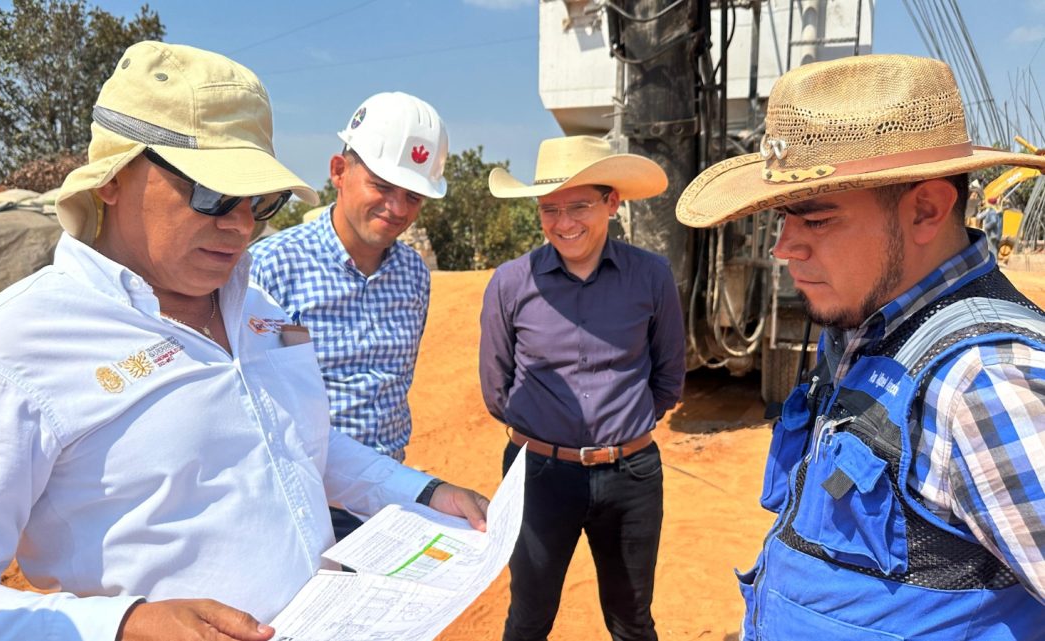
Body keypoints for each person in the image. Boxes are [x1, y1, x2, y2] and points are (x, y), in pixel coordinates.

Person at [0, 41, 488, 641]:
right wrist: (126, 625)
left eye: (261, 200)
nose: (240, 225)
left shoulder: (260, 309)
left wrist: (418, 490)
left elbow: (292, 435)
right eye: (213, 193)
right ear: (113, 176)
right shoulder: (6, 353)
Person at [676, 54, 1045, 640]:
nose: (784, 247)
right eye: (782, 220)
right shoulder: (862, 330)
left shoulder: (985, 379)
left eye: (815, 221)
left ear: (925, 209)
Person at [479, 135, 685, 641]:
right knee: (528, 618)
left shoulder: (652, 277)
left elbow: (668, 377)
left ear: (612, 203)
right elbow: (496, 388)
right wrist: (548, 437)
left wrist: (622, 435)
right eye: (550, 209)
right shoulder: (510, 283)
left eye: (579, 206)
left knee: (632, 619)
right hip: (538, 477)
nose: (564, 223)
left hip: (632, 477)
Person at [249, 92, 446, 541]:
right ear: (339, 171)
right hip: (305, 504)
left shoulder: (414, 274)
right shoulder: (272, 267)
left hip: (393, 494)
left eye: (413, 196)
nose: (397, 209)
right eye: (382, 186)